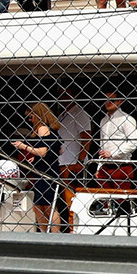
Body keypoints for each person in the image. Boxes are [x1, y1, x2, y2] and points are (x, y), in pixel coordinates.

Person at [54, 88, 92, 232]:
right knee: (64, 196)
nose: (63, 98)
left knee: (72, 197)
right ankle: (69, 226)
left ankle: (74, 228)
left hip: (73, 161)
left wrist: (80, 160)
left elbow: (86, 136)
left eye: (66, 95)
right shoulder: (64, 113)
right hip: (63, 161)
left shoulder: (79, 113)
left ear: (73, 96)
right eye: (61, 95)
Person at [10, 123, 60, 230]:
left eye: (31, 117)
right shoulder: (51, 130)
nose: (30, 120)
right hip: (42, 170)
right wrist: (36, 159)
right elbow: (57, 150)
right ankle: (45, 233)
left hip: (47, 172)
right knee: (38, 206)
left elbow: (43, 152)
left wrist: (24, 146)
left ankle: (55, 234)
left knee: (49, 207)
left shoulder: (43, 128)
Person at [93, 92, 137, 188]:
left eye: (112, 100)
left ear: (120, 102)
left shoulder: (127, 119)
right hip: (105, 166)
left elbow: (134, 142)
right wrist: (99, 167)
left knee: (120, 199)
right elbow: (102, 144)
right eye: (106, 100)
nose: (108, 102)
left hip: (121, 165)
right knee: (104, 199)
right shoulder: (103, 120)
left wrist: (113, 153)